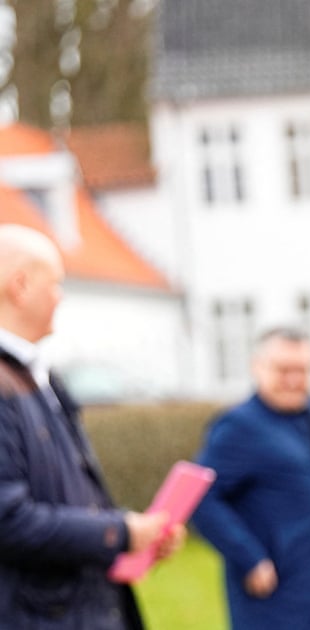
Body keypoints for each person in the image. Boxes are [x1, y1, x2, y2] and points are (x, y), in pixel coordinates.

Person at [0, 224, 184, 630]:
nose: (60, 297)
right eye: (55, 284)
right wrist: (118, 532)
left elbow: (67, 496)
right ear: (21, 286)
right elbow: (8, 520)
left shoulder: (39, 375)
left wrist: (136, 536)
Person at [191, 326, 310, 630]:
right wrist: (250, 558)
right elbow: (201, 497)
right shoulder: (240, 427)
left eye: (302, 370)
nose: (294, 380)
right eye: (283, 370)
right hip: (274, 601)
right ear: (257, 367)